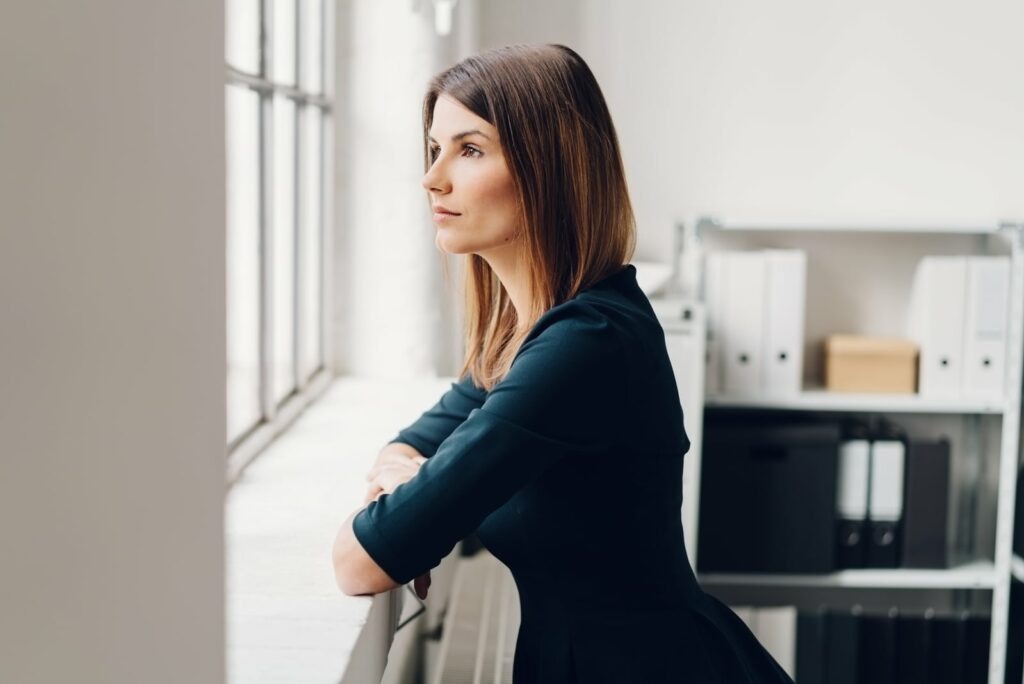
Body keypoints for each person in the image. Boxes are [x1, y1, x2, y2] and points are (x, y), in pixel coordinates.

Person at [333, 43, 794, 683]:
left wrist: (409, 498)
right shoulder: (525, 334)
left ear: (548, 167)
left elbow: (360, 562)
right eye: (435, 149)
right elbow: (415, 440)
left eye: (469, 150)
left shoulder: (585, 344)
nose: (432, 177)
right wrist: (407, 477)